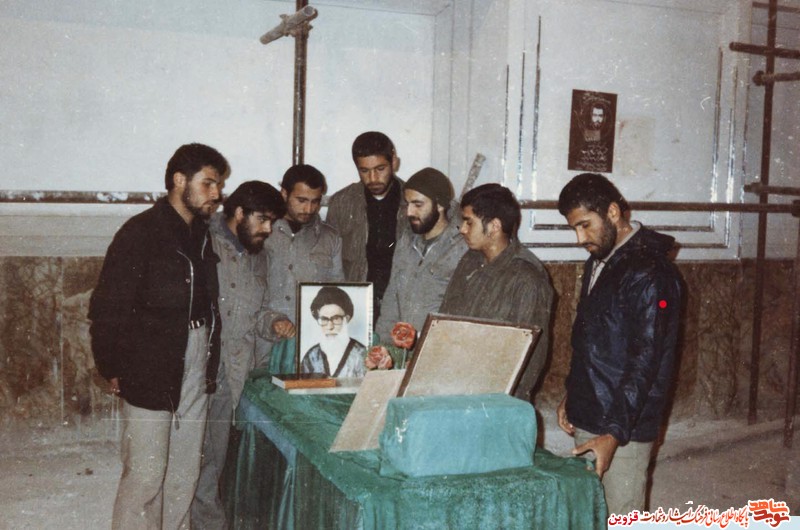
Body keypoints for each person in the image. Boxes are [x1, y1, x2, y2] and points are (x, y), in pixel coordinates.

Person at [88, 143, 228, 529]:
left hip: (196, 355)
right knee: (146, 474)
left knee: (184, 469)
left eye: (219, 184)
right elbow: (107, 306)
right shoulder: (140, 233)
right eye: (208, 183)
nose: (216, 193)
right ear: (179, 181)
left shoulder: (202, 234)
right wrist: (111, 365)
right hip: (150, 358)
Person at [555, 173, 682, 516]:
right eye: (574, 228)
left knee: (621, 516)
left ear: (612, 212)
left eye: (585, 225)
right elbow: (592, 341)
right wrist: (573, 393)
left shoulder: (652, 273)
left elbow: (647, 362)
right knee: (592, 514)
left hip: (623, 428)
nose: (580, 238)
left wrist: (613, 434)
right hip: (592, 414)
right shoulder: (601, 260)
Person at [191, 181, 294, 529]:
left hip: (230, 375)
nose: (268, 229)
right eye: (262, 219)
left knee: (212, 461)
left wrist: (274, 322)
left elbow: (255, 312)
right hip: (195, 369)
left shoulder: (259, 257)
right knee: (191, 461)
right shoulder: (202, 241)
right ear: (239, 213)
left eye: (272, 222)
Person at [439, 183, 553, 402]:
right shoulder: (470, 260)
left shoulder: (527, 278)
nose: (462, 229)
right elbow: (444, 321)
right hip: (456, 387)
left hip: (496, 400)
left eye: (469, 222)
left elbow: (529, 359)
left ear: (494, 226)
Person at [374, 167, 467, 341]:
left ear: (440, 205)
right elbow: (391, 300)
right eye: (407, 204)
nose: (409, 212)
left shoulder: (462, 247)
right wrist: (381, 344)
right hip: (401, 348)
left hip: (437, 347)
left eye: (418, 205)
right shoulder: (405, 241)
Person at [326, 131, 406, 322]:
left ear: (394, 162)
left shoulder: (413, 200)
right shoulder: (341, 202)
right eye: (364, 171)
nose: (373, 178)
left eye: (380, 168)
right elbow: (329, 262)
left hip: (399, 307)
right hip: (356, 306)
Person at [263, 164, 344, 329]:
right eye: (301, 200)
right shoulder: (263, 231)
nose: (308, 209)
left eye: (315, 202)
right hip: (265, 336)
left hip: (309, 334)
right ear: (284, 193)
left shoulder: (330, 238)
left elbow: (337, 290)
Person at [301, 286, 367, 378]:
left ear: (347, 319)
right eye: (324, 319)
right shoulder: (311, 357)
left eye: (336, 319)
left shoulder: (362, 354)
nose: (330, 326)